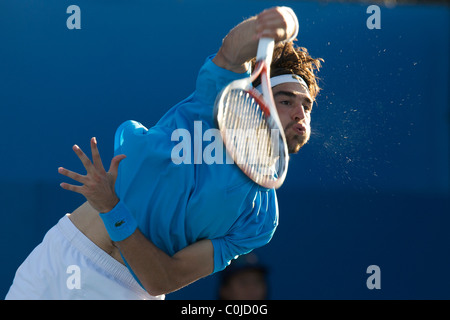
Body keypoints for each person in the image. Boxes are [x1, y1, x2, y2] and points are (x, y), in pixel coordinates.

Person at [5, 6, 322, 300]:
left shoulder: (260, 218)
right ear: (256, 101)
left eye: (306, 106)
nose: (300, 113)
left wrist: (112, 208)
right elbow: (233, 49)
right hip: (60, 266)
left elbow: (163, 279)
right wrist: (284, 21)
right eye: (286, 100)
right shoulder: (216, 101)